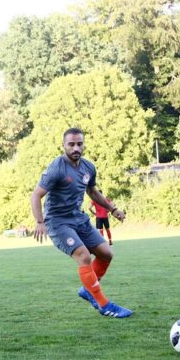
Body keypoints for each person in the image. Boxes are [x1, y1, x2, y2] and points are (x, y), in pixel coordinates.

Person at [30, 127, 132, 318]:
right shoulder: (57, 167)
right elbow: (36, 195)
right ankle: (105, 305)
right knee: (84, 256)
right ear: (64, 145)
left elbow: (92, 192)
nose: (76, 148)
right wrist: (39, 221)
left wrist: (112, 209)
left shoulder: (88, 167)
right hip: (58, 222)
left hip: (78, 218)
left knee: (106, 254)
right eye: (71, 144)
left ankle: (88, 289)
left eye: (79, 144)